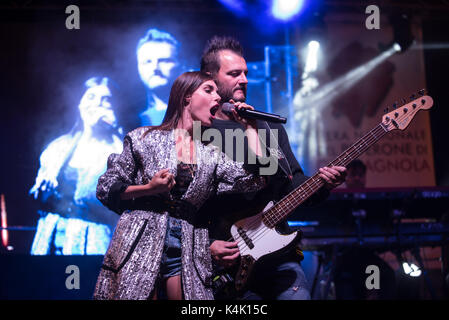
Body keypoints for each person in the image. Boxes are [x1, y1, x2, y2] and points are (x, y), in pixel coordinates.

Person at [93, 71, 268, 300]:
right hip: (141, 240)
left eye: (217, 91)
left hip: (188, 245)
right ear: (186, 96)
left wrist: (250, 127)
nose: (218, 98)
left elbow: (255, 179)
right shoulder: (143, 139)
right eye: (208, 90)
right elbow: (106, 187)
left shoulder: (211, 154)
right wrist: (149, 189)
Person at [199, 36, 347, 300]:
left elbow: (292, 185)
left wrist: (322, 184)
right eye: (234, 73)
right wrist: (206, 246)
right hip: (226, 262)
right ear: (210, 77)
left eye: (245, 73)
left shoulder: (268, 126)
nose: (243, 79)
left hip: (278, 258)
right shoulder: (199, 131)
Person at [29, 77, 123, 255]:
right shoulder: (58, 147)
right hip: (50, 236)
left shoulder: (118, 149)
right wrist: (43, 192)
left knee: (77, 282)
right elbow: (38, 196)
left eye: (106, 100)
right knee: (49, 282)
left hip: (93, 241)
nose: (96, 104)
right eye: (91, 97)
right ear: (80, 104)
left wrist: (115, 126)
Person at [136, 28, 181, 127]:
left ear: (182, 65)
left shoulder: (202, 113)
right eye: (147, 62)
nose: (155, 68)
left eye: (164, 61)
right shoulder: (135, 122)